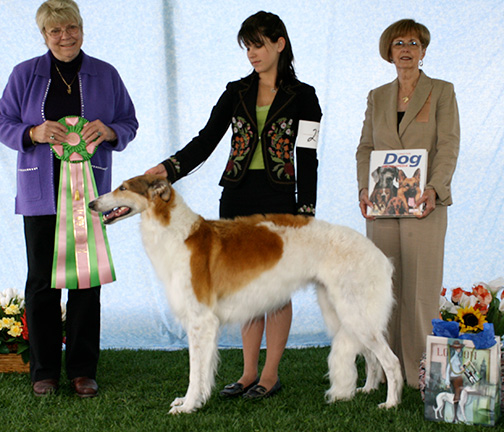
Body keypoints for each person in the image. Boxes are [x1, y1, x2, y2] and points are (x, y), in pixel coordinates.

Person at [146, 11, 322, 399]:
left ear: (280, 43)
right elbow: (206, 141)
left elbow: (307, 156)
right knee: (241, 288)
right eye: (247, 47)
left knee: (276, 291)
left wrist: (305, 211)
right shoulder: (236, 91)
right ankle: (246, 374)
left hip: (280, 201)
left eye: (258, 45)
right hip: (237, 197)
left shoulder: (304, 96)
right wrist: (169, 169)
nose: (252, 54)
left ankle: (270, 375)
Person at [0, 0, 138, 397]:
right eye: (56, 31)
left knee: (86, 282)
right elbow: (4, 122)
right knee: (42, 283)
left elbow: (129, 122)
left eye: (71, 27)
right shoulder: (24, 74)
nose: (65, 37)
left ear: (82, 28)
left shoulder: (106, 74)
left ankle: (82, 370)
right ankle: (43, 371)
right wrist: (32, 134)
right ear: (44, 35)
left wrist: (110, 132)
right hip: (40, 194)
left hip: (90, 194)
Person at [356, 19, 460, 388]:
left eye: (413, 43)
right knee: (387, 287)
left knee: (420, 289)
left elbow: (448, 145)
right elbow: (366, 148)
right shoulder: (377, 95)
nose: (406, 49)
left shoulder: (442, 91)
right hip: (383, 203)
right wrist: (363, 189)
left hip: (425, 203)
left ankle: (421, 372)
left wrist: (434, 187)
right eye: (398, 42)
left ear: (423, 51)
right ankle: (389, 367)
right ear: (389, 52)